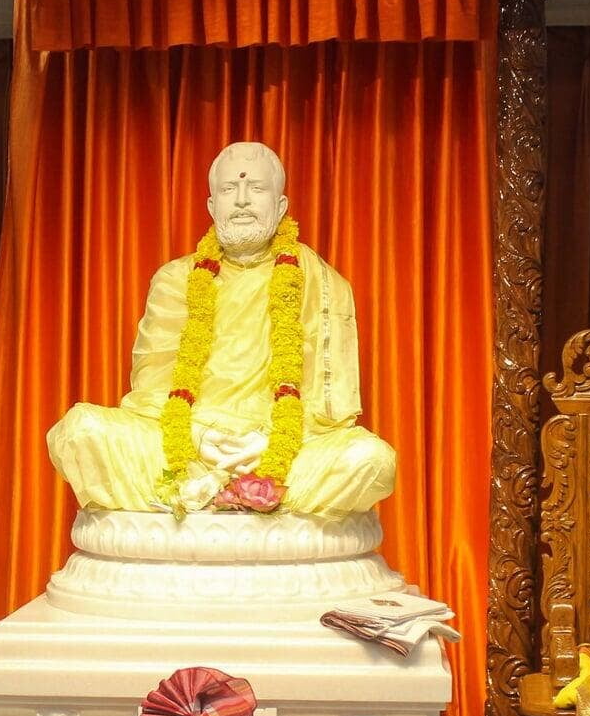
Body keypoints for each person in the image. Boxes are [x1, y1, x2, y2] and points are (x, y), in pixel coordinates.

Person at [47, 142, 396, 517]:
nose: (242, 200)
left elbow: (332, 408)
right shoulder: (175, 279)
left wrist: (268, 443)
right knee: (80, 431)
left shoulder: (322, 283)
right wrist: (197, 437)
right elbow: (150, 391)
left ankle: (213, 496)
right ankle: (216, 493)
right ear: (212, 206)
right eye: (230, 189)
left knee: (370, 460)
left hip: (285, 448)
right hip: (187, 445)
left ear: (280, 206)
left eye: (256, 188)